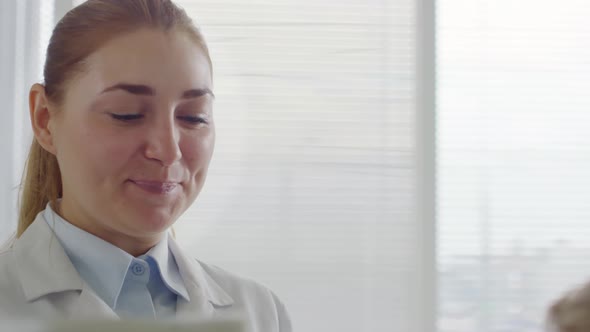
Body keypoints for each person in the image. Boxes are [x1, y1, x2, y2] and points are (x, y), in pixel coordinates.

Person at [0, 1, 291, 331]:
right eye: (126, 114)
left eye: (193, 117)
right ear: (44, 119)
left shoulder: (262, 314)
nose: (168, 151)